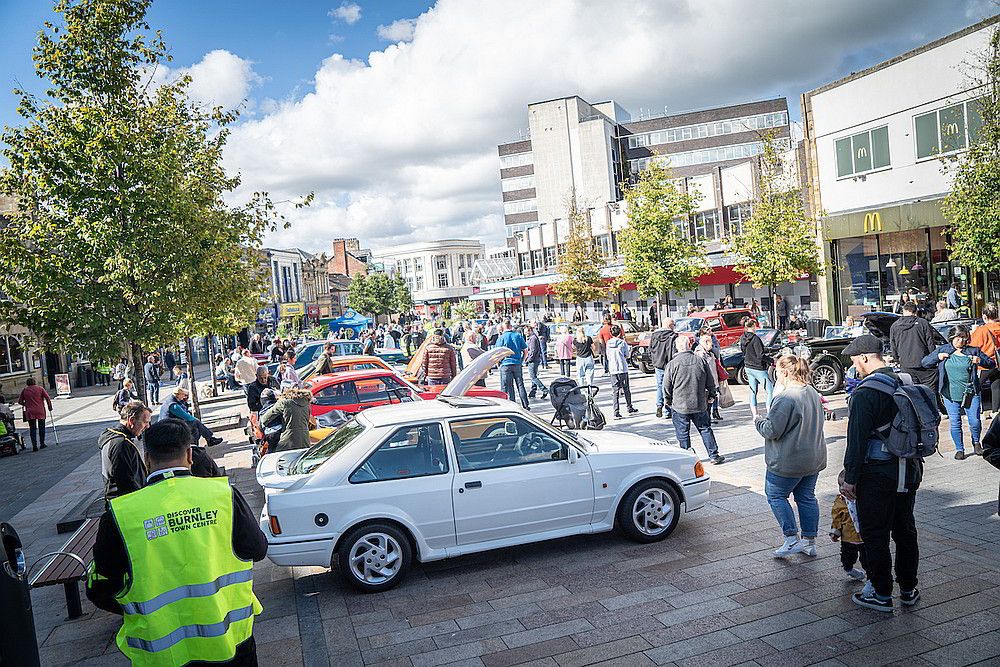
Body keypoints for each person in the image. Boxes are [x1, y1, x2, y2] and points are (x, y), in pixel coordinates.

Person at [86, 418, 267, 665]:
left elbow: (101, 586)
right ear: (190, 455)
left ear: (147, 460)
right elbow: (257, 549)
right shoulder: (223, 495)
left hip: (164, 653)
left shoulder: (121, 514)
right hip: (231, 640)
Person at [840, 334, 921, 612]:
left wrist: (850, 477)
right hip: (908, 470)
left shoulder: (865, 393)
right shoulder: (904, 380)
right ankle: (909, 589)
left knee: (875, 534)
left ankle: (882, 594)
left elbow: (857, 441)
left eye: (855, 361)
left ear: (864, 357)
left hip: (877, 475)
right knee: (905, 531)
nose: (854, 367)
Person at [754, 355, 827, 557]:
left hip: (788, 461)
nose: (776, 375)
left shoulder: (786, 398)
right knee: (806, 497)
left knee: (776, 495)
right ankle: (809, 542)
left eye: (777, 371)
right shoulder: (811, 391)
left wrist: (758, 421)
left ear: (785, 372)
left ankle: (791, 538)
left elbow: (772, 430)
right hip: (813, 457)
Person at [921, 325, 995, 459]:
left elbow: (991, 364)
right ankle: (959, 449)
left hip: (971, 392)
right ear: (952, 337)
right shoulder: (944, 350)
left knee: (975, 421)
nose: (960, 341)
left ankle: (976, 442)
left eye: (963, 338)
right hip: (950, 393)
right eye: (958, 338)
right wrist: (938, 357)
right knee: (955, 422)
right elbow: (925, 363)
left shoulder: (973, 351)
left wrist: (980, 361)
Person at [663, 337, 725, 464]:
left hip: (680, 405)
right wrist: (712, 395)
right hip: (699, 403)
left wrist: (667, 400)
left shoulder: (672, 364)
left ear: (677, 347)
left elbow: (666, 386)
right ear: (689, 345)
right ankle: (713, 455)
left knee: (683, 433)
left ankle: (687, 457)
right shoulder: (700, 361)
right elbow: (710, 381)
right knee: (705, 429)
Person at [98, 400, 152, 501]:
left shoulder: (114, 437)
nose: (147, 426)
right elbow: (125, 482)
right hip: (124, 504)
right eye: (145, 422)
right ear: (131, 420)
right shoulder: (121, 444)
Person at [889, 301, 939, 389]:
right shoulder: (923, 323)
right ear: (916, 312)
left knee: (912, 393)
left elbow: (893, 346)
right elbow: (930, 343)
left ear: (903, 311)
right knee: (930, 392)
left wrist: (896, 360)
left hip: (906, 365)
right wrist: (933, 359)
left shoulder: (894, 326)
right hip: (924, 364)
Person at [831, 470, 868, 583]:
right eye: (839, 485)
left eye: (844, 484)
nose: (842, 488)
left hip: (864, 537)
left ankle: (871, 577)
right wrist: (835, 531)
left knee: (867, 559)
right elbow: (837, 517)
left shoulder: (864, 499)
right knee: (847, 558)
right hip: (848, 537)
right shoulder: (840, 500)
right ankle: (850, 569)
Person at [159, 385, 224, 447]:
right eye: (184, 395)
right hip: (168, 427)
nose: (185, 397)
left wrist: (185, 402)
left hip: (171, 423)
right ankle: (209, 439)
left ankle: (198, 446)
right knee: (196, 422)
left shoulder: (174, 399)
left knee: (196, 429)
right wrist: (196, 420)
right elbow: (188, 417)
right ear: (178, 394)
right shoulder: (173, 405)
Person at [970, 302, 1000, 421]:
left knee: (975, 387)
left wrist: (972, 333)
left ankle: (979, 412)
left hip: (985, 364)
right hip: (998, 362)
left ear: (984, 316)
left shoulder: (982, 330)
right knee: (996, 386)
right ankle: (995, 411)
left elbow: (973, 346)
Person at [740, 317, 774, 418]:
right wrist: (772, 361)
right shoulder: (755, 339)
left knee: (753, 391)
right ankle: (770, 412)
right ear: (753, 326)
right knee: (770, 390)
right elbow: (761, 355)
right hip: (758, 368)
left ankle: (755, 414)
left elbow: (743, 351)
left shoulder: (743, 337)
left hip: (748, 367)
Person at [260, 387, 312, 453]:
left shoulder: (284, 402)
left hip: (288, 441)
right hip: (305, 440)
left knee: (275, 457)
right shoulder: (306, 403)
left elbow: (265, 419)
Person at [494, 319, 529, 409]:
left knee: (506, 386)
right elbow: (525, 351)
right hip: (517, 363)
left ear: (503, 327)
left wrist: (498, 363)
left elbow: (497, 353)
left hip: (505, 364)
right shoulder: (518, 335)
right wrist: (522, 360)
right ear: (510, 325)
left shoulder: (501, 338)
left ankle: (508, 405)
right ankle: (525, 405)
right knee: (520, 385)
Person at [649, 318, 678, 419]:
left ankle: (659, 405)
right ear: (670, 326)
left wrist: (654, 360)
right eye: (674, 325)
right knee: (670, 386)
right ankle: (668, 409)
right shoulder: (673, 336)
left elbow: (650, 349)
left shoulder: (654, 335)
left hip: (658, 364)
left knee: (659, 385)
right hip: (670, 364)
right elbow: (675, 351)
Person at [607, 325, 637, 418]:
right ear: (619, 333)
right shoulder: (622, 343)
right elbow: (627, 355)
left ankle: (616, 411)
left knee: (615, 390)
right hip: (622, 368)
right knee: (626, 389)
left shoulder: (608, 343)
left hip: (613, 369)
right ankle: (629, 406)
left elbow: (607, 356)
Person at [17, 377, 52, 452]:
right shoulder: (40, 388)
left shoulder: (25, 390)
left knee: (32, 429)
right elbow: (47, 398)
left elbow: (19, 401)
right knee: (41, 427)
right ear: (34, 382)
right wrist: (50, 407)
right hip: (40, 410)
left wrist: (26, 404)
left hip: (30, 411)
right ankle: (42, 443)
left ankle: (34, 446)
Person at [694, 333, 724, 422]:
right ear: (706, 343)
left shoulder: (709, 352)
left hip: (712, 380)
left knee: (711, 399)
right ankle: (706, 418)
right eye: (711, 343)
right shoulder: (700, 353)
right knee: (707, 401)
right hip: (706, 382)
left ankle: (709, 416)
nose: (712, 346)